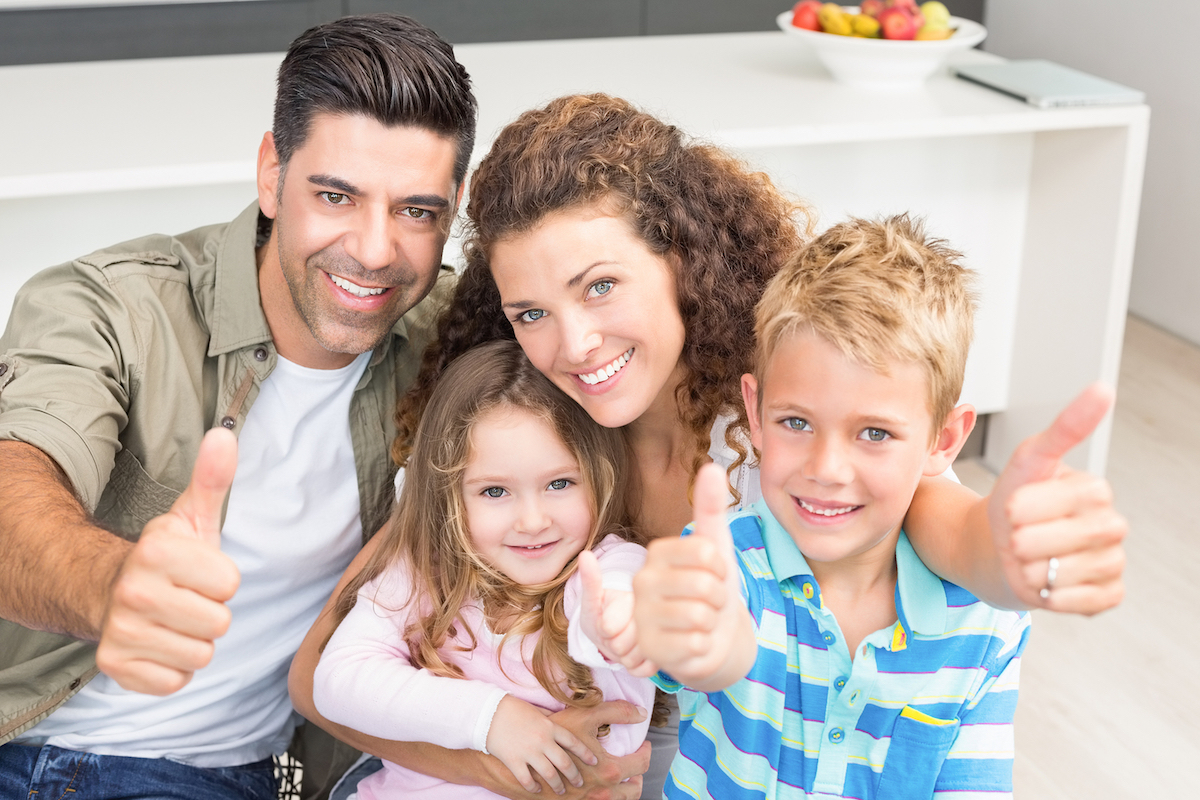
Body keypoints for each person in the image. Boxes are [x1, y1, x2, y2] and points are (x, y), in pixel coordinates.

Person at [288, 94, 1125, 800]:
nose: (574, 344)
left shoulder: (788, 419)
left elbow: (939, 522)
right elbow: (316, 681)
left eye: (602, 286)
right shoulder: (528, 428)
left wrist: (1012, 553)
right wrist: (509, 762)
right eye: (531, 312)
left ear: (682, 258)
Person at [0, 15, 650, 800]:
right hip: (56, 752)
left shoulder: (449, 338)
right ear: (272, 172)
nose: (375, 251)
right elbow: (14, 485)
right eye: (336, 195)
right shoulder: (112, 308)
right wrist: (113, 583)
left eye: (416, 211)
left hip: (273, 774)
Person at [630, 215, 1035, 799]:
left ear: (943, 441)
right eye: (796, 422)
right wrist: (706, 646)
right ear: (755, 410)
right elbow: (702, 652)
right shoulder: (723, 566)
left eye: (873, 433)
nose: (825, 469)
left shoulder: (984, 623)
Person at [310, 339, 655, 800]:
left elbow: (616, 603)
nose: (533, 521)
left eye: (559, 483)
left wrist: (617, 625)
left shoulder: (608, 566)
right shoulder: (425, 571)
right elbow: (337, 680)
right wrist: (491, 719)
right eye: (495, 491)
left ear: (599, 474)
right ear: (450, 496)